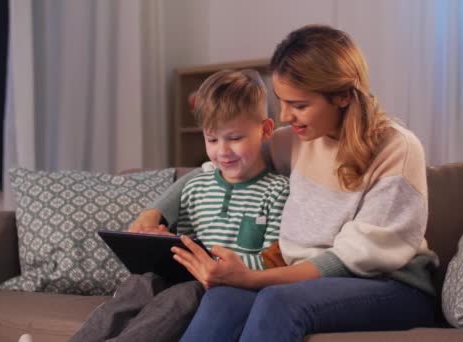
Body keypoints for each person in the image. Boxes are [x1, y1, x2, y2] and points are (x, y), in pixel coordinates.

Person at [150, 24, 438, 341]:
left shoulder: (397, 148)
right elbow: (220, 165)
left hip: (392, 286)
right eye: (281, 101)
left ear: (342, 95)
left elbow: (350, 259)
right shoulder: (292, 141)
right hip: (309, 282)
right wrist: (156, 212)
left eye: (299, 105)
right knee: (223, 298)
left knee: (278, 301)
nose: (285, 116)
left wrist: (252, 279)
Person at [69, 69, 290, 342]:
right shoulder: (195, 184)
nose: (223, 151)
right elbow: (167, 231)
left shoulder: (277, 191)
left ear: (265, 130)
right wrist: (160, 240)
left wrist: (218, 266)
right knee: (140, 283)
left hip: (220, 286)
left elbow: (272, 263)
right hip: (179, 276)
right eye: (212, 139)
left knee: (184, 294)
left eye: (235, 138)